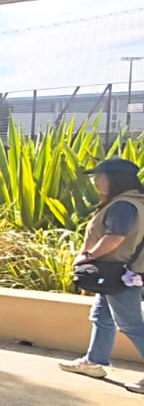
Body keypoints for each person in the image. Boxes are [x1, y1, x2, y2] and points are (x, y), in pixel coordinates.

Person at [61, 157, 144, 385]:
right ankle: (94, 361)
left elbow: (115, 238)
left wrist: (87, 256)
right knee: (102, 317)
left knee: (131, 325)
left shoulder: (123, 206)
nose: (96, 181)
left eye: (100, 176)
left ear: (116, 179)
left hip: (120, 274)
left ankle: (94, 361)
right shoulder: (135, 202)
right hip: (118, 273)